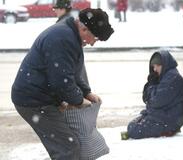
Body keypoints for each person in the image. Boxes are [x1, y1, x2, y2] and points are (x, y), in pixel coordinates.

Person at [11, 8, 114, 160]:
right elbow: (61, 81)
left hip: (40, 97)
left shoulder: (70, 34)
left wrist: (86, 92)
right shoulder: (63, 38)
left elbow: (72, 71)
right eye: (95, 38)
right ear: (84, 28)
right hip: (33, 101)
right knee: (67, 147)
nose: (92, 43)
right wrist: (78, 100)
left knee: (69, 143)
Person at [125, 50, 183, 139]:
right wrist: (150, 83)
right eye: (153, 66)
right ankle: (164, 130)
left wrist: (152, 85)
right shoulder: (165, 76)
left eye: (157, 66)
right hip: (163, 115)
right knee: (132, 124)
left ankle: (167, 131)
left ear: (165, 65)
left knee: (133, 129)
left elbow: (155, 101)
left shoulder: (172, 78)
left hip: (170, 119)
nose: (155, 69)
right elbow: (146, 99)